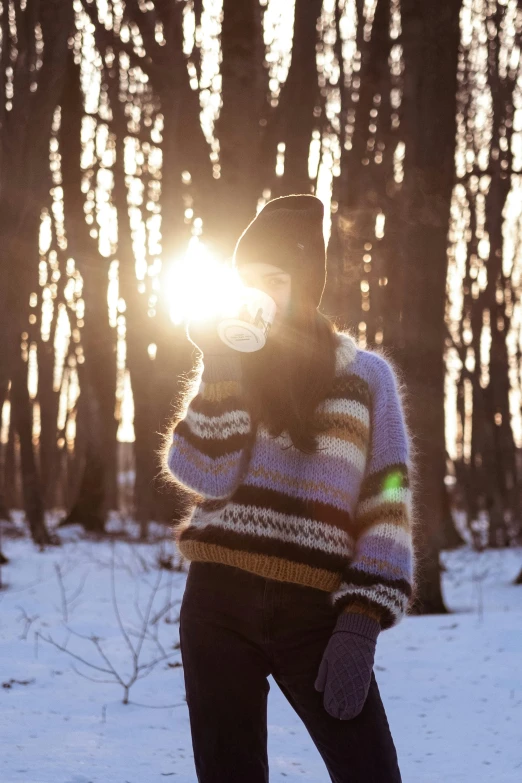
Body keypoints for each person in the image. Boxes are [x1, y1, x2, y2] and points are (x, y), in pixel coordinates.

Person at [163, 194, 416, 783]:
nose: (260, 294)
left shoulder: (365, 377)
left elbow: (389, 504)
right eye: (247, 280)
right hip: (218, 600)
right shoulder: (229, 362)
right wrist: (221, 371)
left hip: (316, 611)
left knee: (372, 773)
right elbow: (204, 474)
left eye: (274, 278)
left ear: (305, 284)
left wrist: (361, 623)